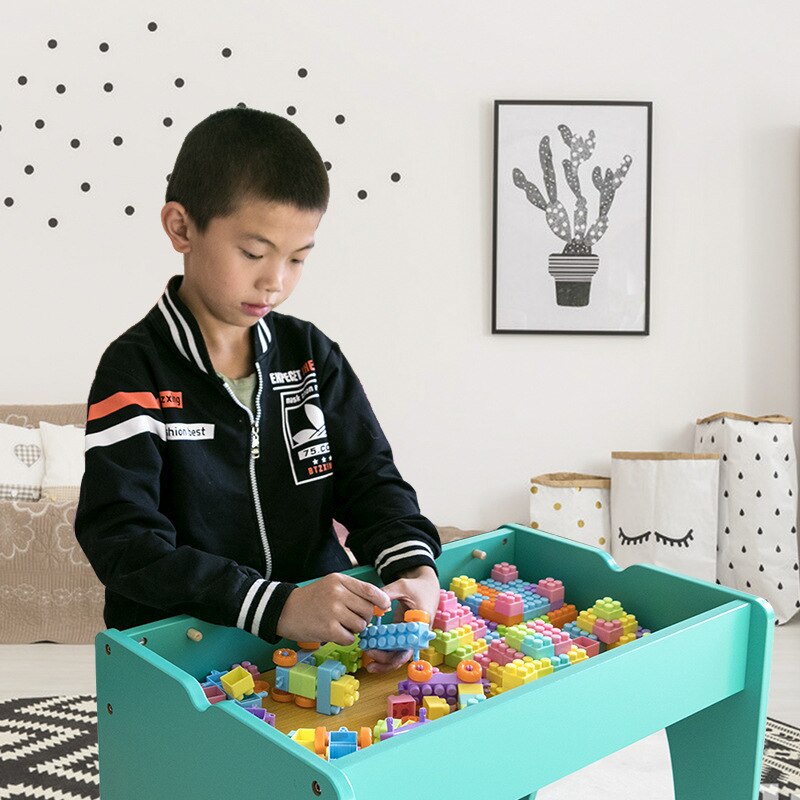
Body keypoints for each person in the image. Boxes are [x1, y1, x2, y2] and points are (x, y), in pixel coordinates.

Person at [74, 107, 442, 674]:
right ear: (181, 228)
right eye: (253, 252)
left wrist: (412, 570)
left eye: (298, 258)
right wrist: (275, 605)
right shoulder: (135, 370)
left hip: (317, 647)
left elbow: (371, 479)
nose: (276, 280)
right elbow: (124, 541)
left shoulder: (311, 355)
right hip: (179, 651)